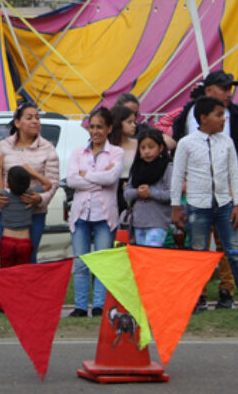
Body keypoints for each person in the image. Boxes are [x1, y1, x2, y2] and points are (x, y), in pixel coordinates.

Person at [172, 70, 238, 310]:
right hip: (197, 204)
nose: (224, 120)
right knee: (198, 253)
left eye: (224, 116)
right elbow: (176, 175)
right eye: (218, 116)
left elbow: (236, 173)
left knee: (234, 251)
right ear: (203, 118)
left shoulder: (228, 141)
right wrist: (175, 206)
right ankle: (197, 298)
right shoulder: (186, 142)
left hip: (225, 204)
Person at [66, 107, 123, 317]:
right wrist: (98, 177)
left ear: (109, 128)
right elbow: (72, 180)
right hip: (81, 213)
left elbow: (112, 178)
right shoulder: (77, 152)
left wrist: (86, 175)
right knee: (80, 263)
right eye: (92, 127)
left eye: (100, 127)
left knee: (102, 262)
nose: (95, 131)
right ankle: (81, 306)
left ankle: (99, 305)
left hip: (105, 215)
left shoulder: (116, 152)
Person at [0, 103, 59, 263]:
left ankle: (28, 288)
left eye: (37, 118)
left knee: (29, 257)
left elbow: (52, 183)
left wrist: (40, 199)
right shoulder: (2, 146)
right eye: (29, 118)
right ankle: (8, 288)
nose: (35, 121)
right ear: (17, 123)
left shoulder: (48, 149)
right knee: (6, 257)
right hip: (4, 210)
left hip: (35, 213)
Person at [123, 129, 174, 247]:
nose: (146, 151)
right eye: (143, 147)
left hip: (158, 222)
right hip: (138, 222)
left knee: (151, 254)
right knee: (142, 258)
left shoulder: (167, 167)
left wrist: (151, 193)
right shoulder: (137, 168)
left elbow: (171, 194)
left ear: (161, 148)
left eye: (151, 147)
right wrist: (138, 192)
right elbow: (127, 192)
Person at [0, 165, 48, 268]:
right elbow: (48, 185)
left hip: (7, 241)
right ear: (28, 185)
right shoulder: (31, 197)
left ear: (8, 185)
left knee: (6, 274)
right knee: (22, 274)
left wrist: (0, 168)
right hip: (24, 242)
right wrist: (32, 172)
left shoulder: (4, 197)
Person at [109, 104, 138, 213]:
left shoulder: (139, 144)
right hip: (112, 194)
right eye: (129, 122)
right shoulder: (107, 147)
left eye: (134, 122)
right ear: (118, 122)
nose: (134, 125)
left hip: (134, 192)